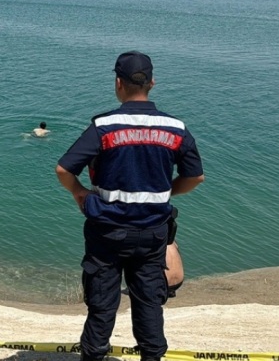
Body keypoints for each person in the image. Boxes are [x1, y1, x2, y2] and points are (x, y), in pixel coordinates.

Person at [55, 51, 204, 361]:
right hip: (152, 232)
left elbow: (64, 170)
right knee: (149, 302)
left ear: (118, 83)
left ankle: (94, 356)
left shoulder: (104, 126)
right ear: (152, 83)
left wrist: (80, 194)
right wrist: (164, 193)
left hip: (107, 231)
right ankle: (152, 357)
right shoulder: (176, 129)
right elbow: (195, 177)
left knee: (102, 304)